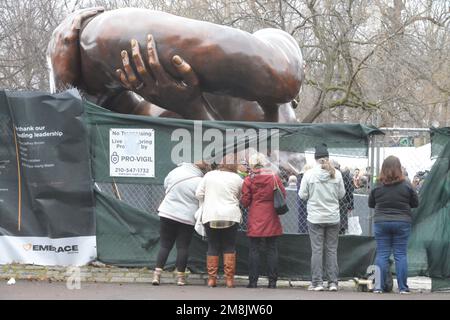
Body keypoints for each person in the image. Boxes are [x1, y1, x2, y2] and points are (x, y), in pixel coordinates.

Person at [153, 161, 210, 286]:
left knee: (165, 245)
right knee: (182, 247)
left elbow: (166, 184)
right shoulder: (200, 181)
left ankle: (157, 275)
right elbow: (201, 197)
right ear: (203, 170)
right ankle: (180, 278)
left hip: (167, 212)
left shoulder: (176, 171)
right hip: (187, 217)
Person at [368, 155, 419, 294]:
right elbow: (415, 203)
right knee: (400, 255)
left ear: (383, 168)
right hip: (402, 222)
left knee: (382, 254)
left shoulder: (377, 184)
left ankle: (378, 287)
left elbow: (371, 203)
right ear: (399, 168)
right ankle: (403, 288)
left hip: (381, 222)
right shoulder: (407, 184)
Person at [298, 144, 345, 291]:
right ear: (328, 157)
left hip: (315, 218)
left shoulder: (309, 174)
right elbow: (341, 195)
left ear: (315, 159)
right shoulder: (337, 174)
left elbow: (302, 195)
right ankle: (332, 282)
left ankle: (317, 282)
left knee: (317, 250)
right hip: (333, 217)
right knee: (331, 250)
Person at [195, 161, 243, 288]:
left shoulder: (209, 175)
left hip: (211, 215)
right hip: (231, 215)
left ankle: (212, 279)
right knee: (229, 246)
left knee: (213, 245)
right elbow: (240, 196)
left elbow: (198, 194)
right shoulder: (237, 178)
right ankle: (229, 280)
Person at [241, 153, 285, 289]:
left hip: (256, 215)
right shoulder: (274, 177)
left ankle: (253, 281)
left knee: (254, 249)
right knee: (272, 249)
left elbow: (245, 201)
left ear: (252, 164)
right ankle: (272, 282)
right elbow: (283, 194)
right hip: (271, 215)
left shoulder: (249, 179)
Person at [296, 164, 312, 234]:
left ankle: (302, 232)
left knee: (301, 218)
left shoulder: (300, 177)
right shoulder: (309, 177)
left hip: (300, 201)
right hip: (309, 201)